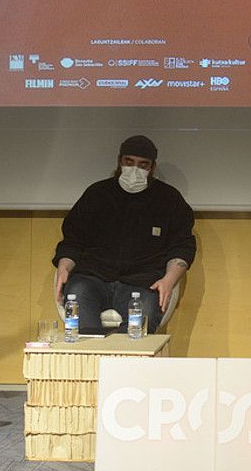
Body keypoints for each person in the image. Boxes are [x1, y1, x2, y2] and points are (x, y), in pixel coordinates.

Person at [53, 135, 196, 335]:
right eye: (129, 162)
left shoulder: (169, 199)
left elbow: (182, 246)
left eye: (142, 164)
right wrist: (64, 267)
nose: (134, 170)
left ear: (152, 168)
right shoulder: (97, 194)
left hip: (142, 281)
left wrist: (169, 280)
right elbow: (73, 237)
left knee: (139, 326)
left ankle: (122, 360)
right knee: (77, 298)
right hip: (93, 276)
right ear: (120, 161)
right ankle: (89, 354)